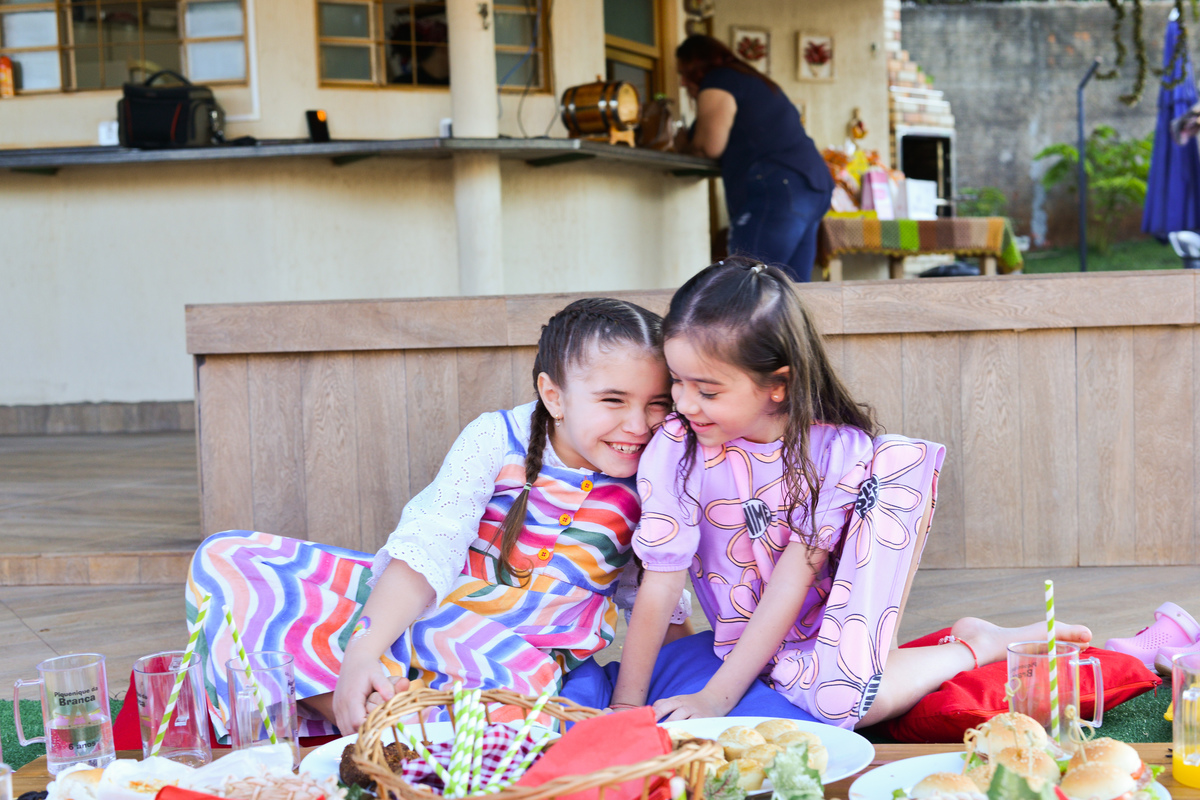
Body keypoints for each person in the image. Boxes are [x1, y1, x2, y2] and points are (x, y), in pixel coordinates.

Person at [608, 258, 1092, 727]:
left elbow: (788, 588)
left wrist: (717, 697)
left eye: (708, 391)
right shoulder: (676, 448)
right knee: (811, 692)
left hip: (828, 626)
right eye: (676, 381)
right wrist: (625, 707)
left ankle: (975, 647)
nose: (685, 403)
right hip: (749, 638)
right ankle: (944, 650)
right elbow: (663, 580)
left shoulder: (834, 451)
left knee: (842, 704)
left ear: (777, 385)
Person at [186, 298, 693, 739]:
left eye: (657, 404)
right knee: (227, 558)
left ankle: (390, 715)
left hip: (513, 665)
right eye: (613, 401)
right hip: (426, 615)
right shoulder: (496, 438)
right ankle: (360, 701)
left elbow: (654, 593)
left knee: (533, 707)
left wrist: (676, 680)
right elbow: (430, 546)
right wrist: (363, 651)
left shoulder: (656, 470)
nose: (637, 425)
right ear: (553, 395)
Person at [676, 35, 834, 283]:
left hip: (780, 186)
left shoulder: (719, 80)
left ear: (698, 67)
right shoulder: (750, 80)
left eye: (684, 73)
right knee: (790, 292)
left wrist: (684, 144)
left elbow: (709, 146)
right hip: (813, 184)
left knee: (746, 287)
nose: (683, 82)